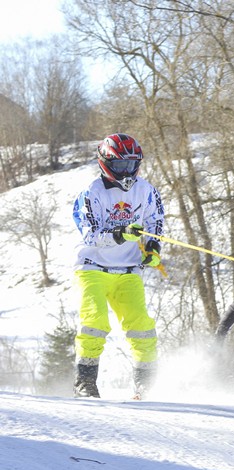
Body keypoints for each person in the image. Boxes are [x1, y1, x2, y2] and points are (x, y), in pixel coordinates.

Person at [71, 133, 165, 398]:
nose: (127, 171)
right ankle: (85, 382)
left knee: (142, 327)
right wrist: (119, 233)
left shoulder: (146, 190)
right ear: (106, 163)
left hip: (128, 270)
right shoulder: (92, 192)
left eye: (131, 165)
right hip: (93, 268)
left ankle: (145, 383)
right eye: (120, 166)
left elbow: (155, 221)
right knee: (94, 322)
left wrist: (153, 248)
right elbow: (89, 233)